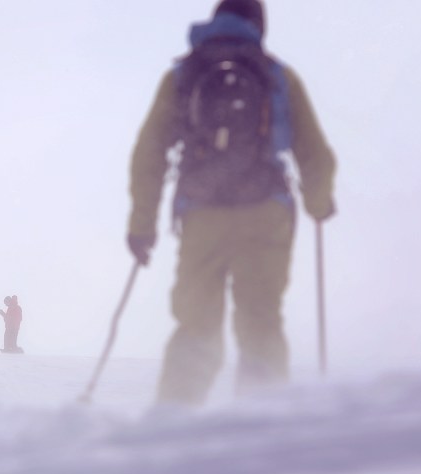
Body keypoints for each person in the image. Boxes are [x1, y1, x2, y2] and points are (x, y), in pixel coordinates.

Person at [127, 0, 336, 405]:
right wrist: (319, 202)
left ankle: (173, 420)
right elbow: (315, 153)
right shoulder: (277, 75)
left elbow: (148, 153)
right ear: (259, 25)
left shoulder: (184, 75)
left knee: (196, 324)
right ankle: (261, 423)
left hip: (202, 213)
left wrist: (142, 226)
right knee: (260, 321)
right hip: (265, 214)